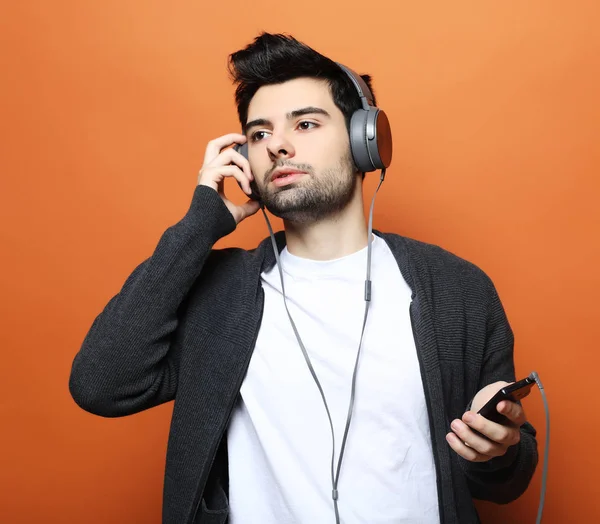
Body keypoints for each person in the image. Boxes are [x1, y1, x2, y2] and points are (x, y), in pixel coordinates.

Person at [69, 32, 538, 524]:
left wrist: (499, 450)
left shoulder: (455, 290)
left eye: (306, 123)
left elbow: (509, 479)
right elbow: (101, 384)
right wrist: (202, 223)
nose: (278, 146)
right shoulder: (220, 294)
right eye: (259, 134)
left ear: (365, 141)